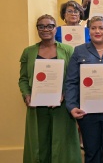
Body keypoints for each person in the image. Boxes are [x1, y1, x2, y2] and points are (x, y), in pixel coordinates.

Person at [18, 14, 81, 163]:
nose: (45, 29)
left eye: (50, 26)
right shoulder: (28, 52)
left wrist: (64, 94)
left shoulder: (68, 50)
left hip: (61, 106)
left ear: (55, 29)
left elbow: (74, 78)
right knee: (39, 144)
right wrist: (26, 94)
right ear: (37, 29)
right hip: (36, 107)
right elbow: (23, 79)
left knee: (62, 144)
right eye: (41, 26)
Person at [65, 16, 103, 163]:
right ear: (89, 31)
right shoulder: (79, 51)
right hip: (87, 111)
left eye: (101, 28)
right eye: (93, 28)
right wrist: (72, 106)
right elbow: (72, 81)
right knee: (91, 152)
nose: (97, 31)